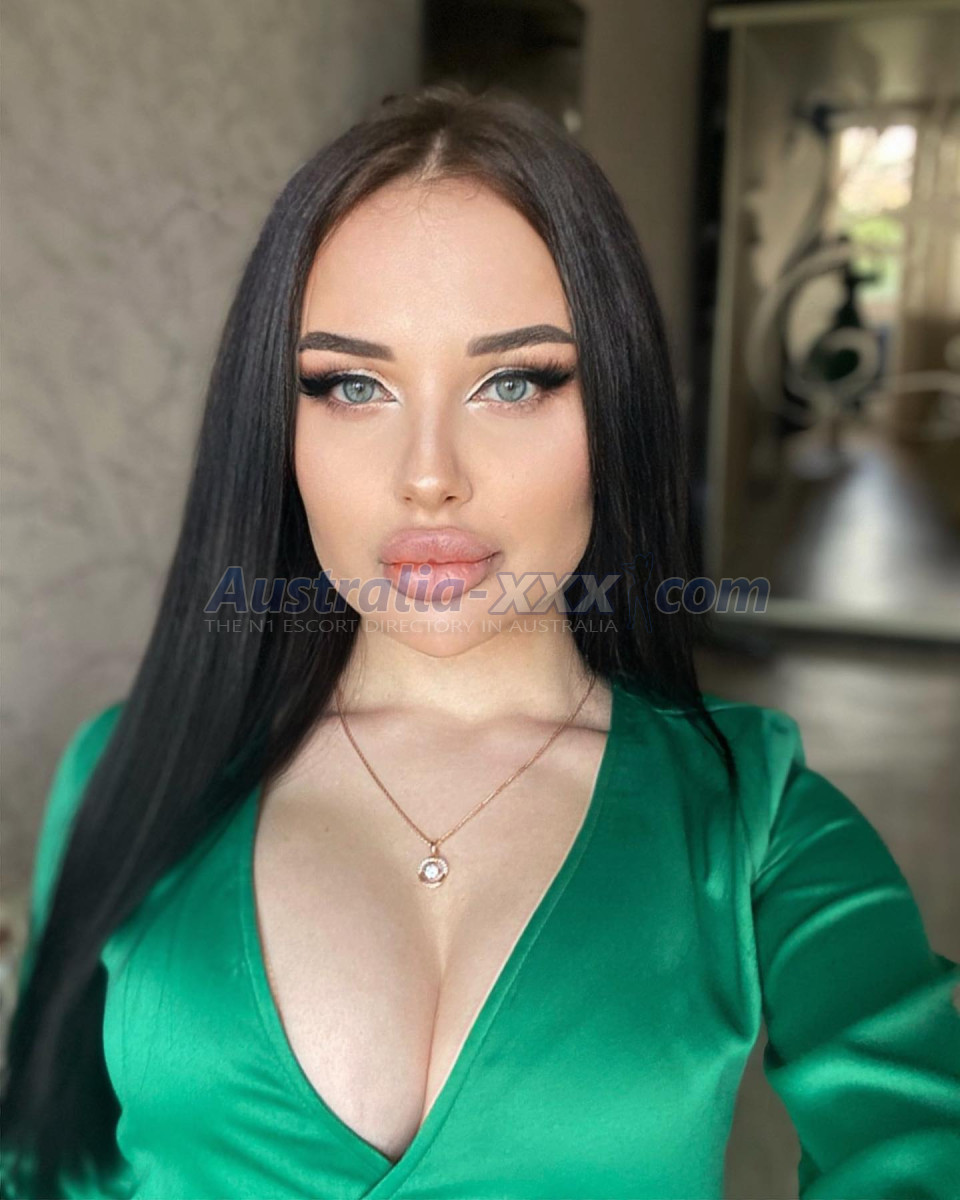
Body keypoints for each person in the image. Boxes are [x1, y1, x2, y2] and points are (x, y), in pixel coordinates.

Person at [2, 83, 958, 1200]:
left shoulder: (758, 819)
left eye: (512, 382)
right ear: (277, 423)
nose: (429, 476)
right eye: (353, 385)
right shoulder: (130, 770)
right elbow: (47, 1165)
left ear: (616, 409)